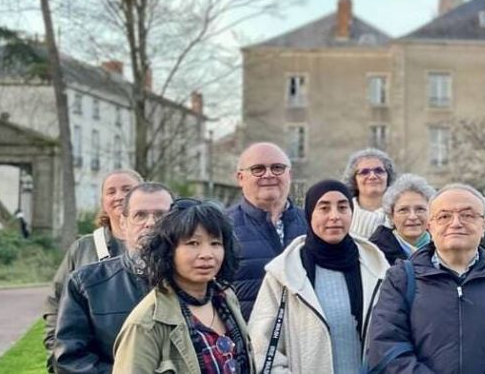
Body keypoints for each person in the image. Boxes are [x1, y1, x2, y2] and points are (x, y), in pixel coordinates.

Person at [366, 183, 485, 373]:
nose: (456, 223)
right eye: (444, 216)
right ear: (430, 226)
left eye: (467, 215)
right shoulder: (401, 279)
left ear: (483, 226)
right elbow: (385, 347)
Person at [249, 180, 390, 374]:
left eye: (342, 207)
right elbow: (261, 349)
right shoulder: (284, 274)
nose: (334, 216)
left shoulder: (377, 268)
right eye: (324, 208)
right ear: (309, 214)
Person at [113, 199, 255, 374]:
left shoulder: (226, 298)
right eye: (193, 243)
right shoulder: (146, 323)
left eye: (215, 243)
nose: (207, 255)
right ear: (169, 250)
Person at [54, 182, 174, 374]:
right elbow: (71, 360)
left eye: (161, 215)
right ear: (124, 224)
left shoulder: (198, 282)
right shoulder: (86, 283)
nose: (151, 223)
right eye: (140, 215)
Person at [45, 169, 142, 366]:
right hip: (92, 363)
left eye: (127, 189)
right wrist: (55, 346)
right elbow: (57, 300)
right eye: (111, 191)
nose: (119, 196)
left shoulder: (161, 246)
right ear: (103, 202)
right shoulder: (83, 247)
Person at [226, 142, 308, 318]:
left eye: (277, 168)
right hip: (246, 340)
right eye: (258, 169)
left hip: (305, 339)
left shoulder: (313, 225)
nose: (269, 174)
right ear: (240, 178)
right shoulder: (221, 228)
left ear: (290, 175)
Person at [370, 173, 436, 266]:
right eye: (403, 210)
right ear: (391, 216)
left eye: (420, 209)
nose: (412, 216)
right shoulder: (374, 253)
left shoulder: (445, 248)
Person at [343, 148, 396, 239]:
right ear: (354, 180)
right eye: (364, 172)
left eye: (379, 171)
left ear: (388, 177)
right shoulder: (342, 213)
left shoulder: (399, 213)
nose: (372, 176)